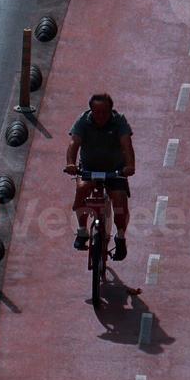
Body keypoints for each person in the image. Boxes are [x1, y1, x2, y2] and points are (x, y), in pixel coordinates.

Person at [64, 93, 135, 261]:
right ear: (91, 111)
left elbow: (126, 145)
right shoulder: (83, 121)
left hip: (115, 171)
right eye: (97, 112)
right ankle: (82, 231)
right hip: (89, 169)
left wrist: (130, 165)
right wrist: (70, 163)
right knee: (81, 190)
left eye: (105, 112)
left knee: (119, 201)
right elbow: (73, 143)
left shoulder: (119, 121)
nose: (101, 116)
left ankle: (120, 237)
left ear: (111, 110)